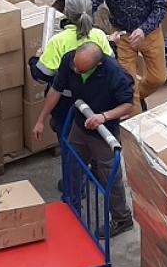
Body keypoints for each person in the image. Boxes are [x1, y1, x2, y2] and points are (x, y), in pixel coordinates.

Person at [31, 42, 135, 237]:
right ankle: (72, 205)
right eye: (75, 66)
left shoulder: (115, 74)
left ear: (97, 65)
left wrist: (103, 117)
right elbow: (56, 90)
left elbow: (127, 105)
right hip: (80, 124)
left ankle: (122, 218)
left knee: (109, 176)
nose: (76, 70)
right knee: (72, 163)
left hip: (104, 132)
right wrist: (40, 119)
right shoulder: (70, 60)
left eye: (81, 69)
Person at [90, 0, 167, 114]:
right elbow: (92, 3)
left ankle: (137, 96)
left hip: (149, 34)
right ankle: (135, 122)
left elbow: (160, 7)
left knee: (158, 77)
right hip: (122, 35)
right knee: (128, 85)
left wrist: (144, 29)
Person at [28, 0, 113, 85]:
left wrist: (35, 60)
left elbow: (43, 76)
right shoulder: (99, 35)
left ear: (66, 12)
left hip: (65, 97)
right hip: (96, 96)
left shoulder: (58, 41)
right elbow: (110, 65)